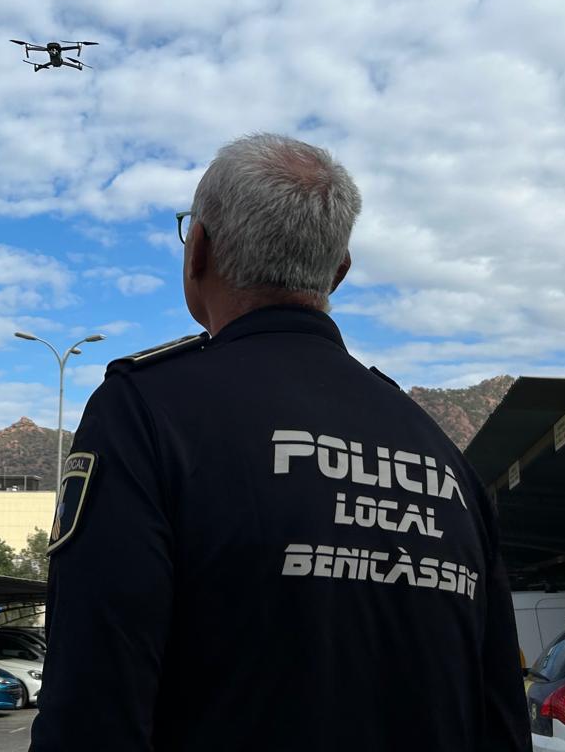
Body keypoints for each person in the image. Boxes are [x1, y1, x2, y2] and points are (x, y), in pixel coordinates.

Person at [30, 133, 528, 751]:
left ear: (198, 251)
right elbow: (503, 716)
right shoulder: (441, 453)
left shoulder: (145, 414)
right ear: (339, 271)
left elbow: (92, 709)